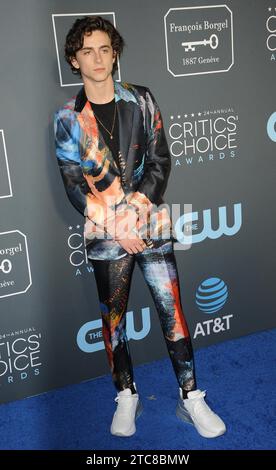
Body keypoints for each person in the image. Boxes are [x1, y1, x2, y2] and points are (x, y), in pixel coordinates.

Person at [54, 15, 226, 439]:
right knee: (113, 322)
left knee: (174, 315)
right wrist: (116, 223)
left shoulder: (142, 100)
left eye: (105, 49)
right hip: (105, 235)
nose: (98, 59)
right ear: (75, 60)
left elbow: (161, 161)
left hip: (150, 224)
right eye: (87, 51)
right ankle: (126, 394)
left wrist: (135, 210)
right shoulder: (67, 118)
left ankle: (191, 396)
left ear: (115, 54)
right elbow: (74, 186)